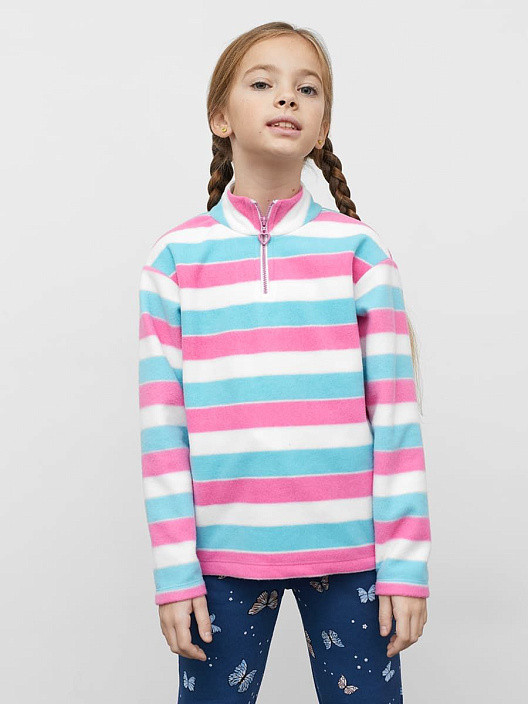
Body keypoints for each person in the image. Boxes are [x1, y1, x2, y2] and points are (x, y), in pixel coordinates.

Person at [137, 21, 432, 703]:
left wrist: (405, 566)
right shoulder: (174, 261)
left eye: (308, 88)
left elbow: (396, 420)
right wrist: (176, 573)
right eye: (263, 83)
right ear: (220, 117)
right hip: (221, 561)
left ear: (322, 127)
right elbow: (162, 432)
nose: (287, 98)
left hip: (354, 557)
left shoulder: (359, 254)